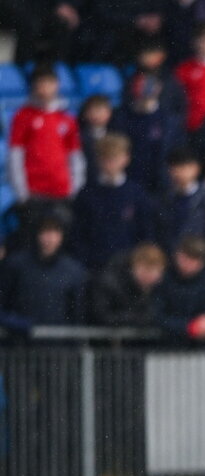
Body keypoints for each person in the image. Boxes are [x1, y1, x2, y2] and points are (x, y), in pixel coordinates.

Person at [72, 133, 154, 271]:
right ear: (98, 160)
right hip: (94, 267)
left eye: (115, 158)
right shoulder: (86, 194)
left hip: (128, 268)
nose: (110, 164)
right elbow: (78, 234)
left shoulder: (137, 194)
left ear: (126, 159)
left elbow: (145, 233)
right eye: (106, 158)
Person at [7, 64, 84, 206]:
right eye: (41, 83)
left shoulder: (66, 118)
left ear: (57, 84)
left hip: (62, 190)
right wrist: (21, 193)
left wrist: (74, 188)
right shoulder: (23, 117)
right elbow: (15, 155)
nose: (45, 88)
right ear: (33, 86)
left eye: (49, 82)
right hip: (34, 191)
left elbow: (74, 155)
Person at [0, 217, 87, 328]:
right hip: (20, 341)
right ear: (37, 234)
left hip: (59, 341)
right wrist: (15, 323)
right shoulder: (16, 265)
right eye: (45, 231)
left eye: (54, 232)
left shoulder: (74, 271)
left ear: (62, 236)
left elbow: (77, 314)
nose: (49, 238)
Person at [90, 242, 167, 327]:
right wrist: (136, 319)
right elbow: (103, 316)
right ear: (133, 266)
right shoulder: (110, 282)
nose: (148, 277)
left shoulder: (159, 289)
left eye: (153, 272)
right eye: (145, 271)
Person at [154, 235, 205, 339]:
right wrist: (187, 327)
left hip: (196, 345)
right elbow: (157, 316)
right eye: (186, 258)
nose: (189, 264)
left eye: (194, 260)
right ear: (177, 255)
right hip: (162, 343)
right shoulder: (163, 278)